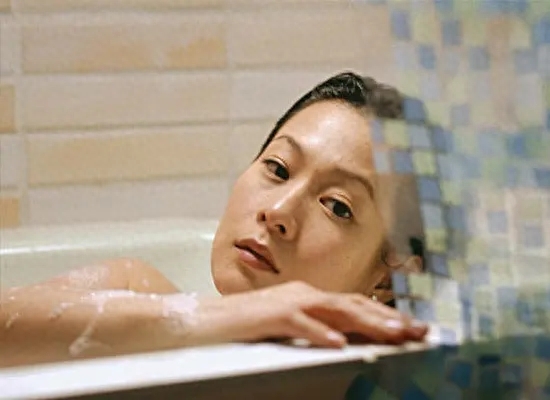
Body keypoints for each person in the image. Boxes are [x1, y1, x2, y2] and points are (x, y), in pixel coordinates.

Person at [0, 72, 428, 368]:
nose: (278, 212)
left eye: (337, 206)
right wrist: (213, 318)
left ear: (390, 279)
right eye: (278, 169)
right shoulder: (134, 289)